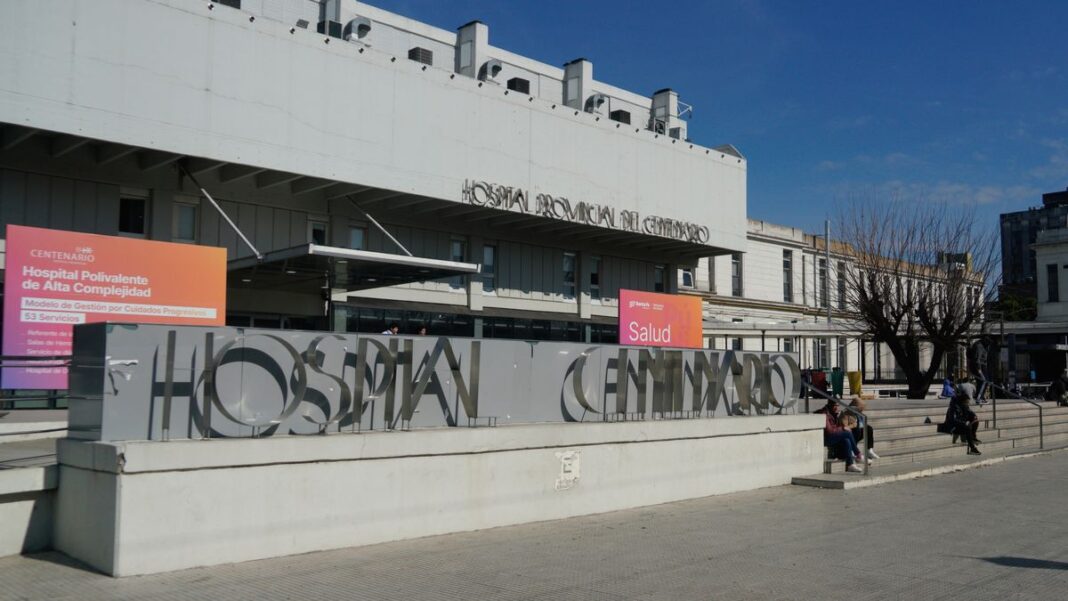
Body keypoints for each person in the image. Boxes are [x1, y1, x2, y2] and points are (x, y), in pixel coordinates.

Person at [815, 400, 864, 472]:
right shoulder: (825, 414)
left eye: (838, 406)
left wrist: (839, 419)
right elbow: (830, 431)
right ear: (830, 405)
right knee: (847, 433)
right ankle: (858, 454)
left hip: (831, 436)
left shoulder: (833, 413)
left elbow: (835, 427)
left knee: (846, 440)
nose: (837, 408)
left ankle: (850, 465)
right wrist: (842, 428)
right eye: (835, 406)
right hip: (825, 438)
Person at [939, 383, 981, 455]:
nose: (968, 404)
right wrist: (964, 423)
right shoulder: (953, 407)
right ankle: (972, 448)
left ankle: (973, 437)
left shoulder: (965, 407)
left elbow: (970, 413)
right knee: (967, 427)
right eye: (966, 402)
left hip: (961, 424)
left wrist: (974, 416)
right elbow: (953, 420)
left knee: (975, 420)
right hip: (953, 427)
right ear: (963, 401)